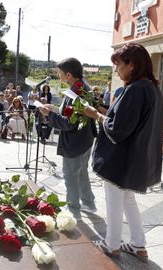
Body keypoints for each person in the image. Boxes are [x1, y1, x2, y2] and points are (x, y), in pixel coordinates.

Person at [83, 43, 163, 258]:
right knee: (127, 199)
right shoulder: (152, 88)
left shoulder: (135, 89)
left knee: (114, 201)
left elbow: (118, 129)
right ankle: (138, 243)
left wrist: (96, 115)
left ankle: (111, 244)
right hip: (136, 157)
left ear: (133, 65)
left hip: (121, 158)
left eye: (119, 64)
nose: (117, 69)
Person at [38, 57, 97, 220]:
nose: (59, 76)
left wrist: (48, 114)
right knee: (81, 173)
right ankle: (89, 203)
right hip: (85, 139)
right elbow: (70, 113)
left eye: (60, 73)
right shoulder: (82, 87)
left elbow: (70, 123)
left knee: (70, 175)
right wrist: (55, 109)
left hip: (75, 142)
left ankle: (74, 211)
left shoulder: (77, 92)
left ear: (69, 75)